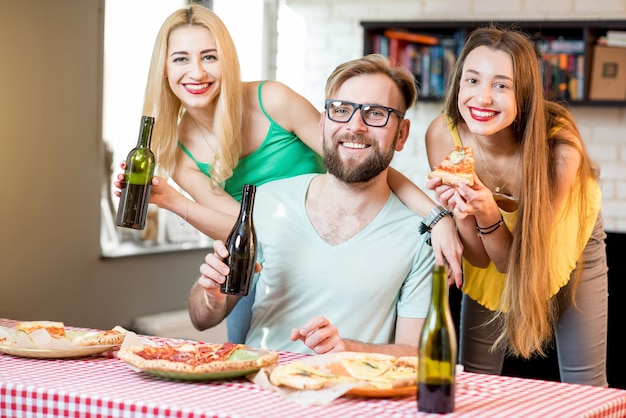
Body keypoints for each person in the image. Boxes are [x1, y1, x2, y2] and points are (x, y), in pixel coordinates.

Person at [115, 4, 461, 344]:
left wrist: (436, 216)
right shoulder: (176, 149)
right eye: (180, 59)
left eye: (209, 56)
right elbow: (245, 226)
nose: (197, 72)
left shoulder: (272, 100)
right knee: (250, 355)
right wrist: (170, 200)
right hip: (267, 256)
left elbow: (357, 159)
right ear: (163, 68)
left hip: (335, 234)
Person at [189, 54, 436, 356]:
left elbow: (414, 353)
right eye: (341, 110)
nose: (354, 126)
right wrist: (212, 296)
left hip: (352, 394)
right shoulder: (268, 202)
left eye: (375, 114)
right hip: (259, 388)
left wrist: (348, 349)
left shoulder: (419, 235)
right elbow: (201, 319)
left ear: (402, 134)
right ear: (322, 124)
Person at [425, 26, 608, 386]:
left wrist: (488, 212)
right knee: (473, 382)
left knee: (584, 385)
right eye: (472, 80)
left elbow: (515, 260)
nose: (482, 99)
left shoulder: (559, 149)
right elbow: (480, 260)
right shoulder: (443, 136)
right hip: (492, 241)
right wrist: (462, 212)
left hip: (567, 236)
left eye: (501, 85)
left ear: (524, 93)